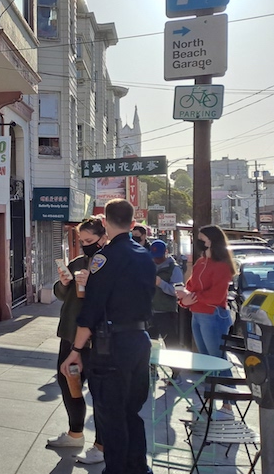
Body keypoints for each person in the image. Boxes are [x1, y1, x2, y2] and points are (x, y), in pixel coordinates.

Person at [62, 199, 156, 474]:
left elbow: (92, 308)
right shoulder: (143, 255)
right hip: (139, 341)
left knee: (111, 416)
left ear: (105, 222)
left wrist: (76, 349)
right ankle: (138, 469)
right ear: (132, 222)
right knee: (131, 414)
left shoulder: (106, 258)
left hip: (111, 344)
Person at [47, 216, 107, 465]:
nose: (85, 245)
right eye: (81, 240)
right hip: (71, 333)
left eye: (90, 240)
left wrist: (90, 284)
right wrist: (63, 283)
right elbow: (63, 294)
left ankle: (101, 445)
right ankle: (75, 432)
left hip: (96, 338)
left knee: (100, 391)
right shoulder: (78, 262)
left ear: (104, 237)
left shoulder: (106, 263)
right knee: (68, 382)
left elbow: (107, 299)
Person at [175, 224, 237, 420]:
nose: (199, 242)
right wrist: (184, 300)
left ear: (212, 240)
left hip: (213, 315)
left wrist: (191, 298)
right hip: (197, 314)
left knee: (217, 359)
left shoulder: (222, 265)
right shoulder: (201, 262)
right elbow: (190, 286)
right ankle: (210, 401)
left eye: (202, 238)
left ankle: (228, 404)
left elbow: (216, 295)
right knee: (206, 359)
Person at [149, 240, 184, 384]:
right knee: (151, 343)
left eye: (158, 256)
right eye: (153, 256)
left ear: (165, 253)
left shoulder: (174, 269)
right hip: (150, 311)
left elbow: (178, 291)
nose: (156, 259)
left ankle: (176, 374)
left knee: (171, 343)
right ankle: (152, 370)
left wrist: (161, 283)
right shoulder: (149, 266)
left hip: (166, 312)